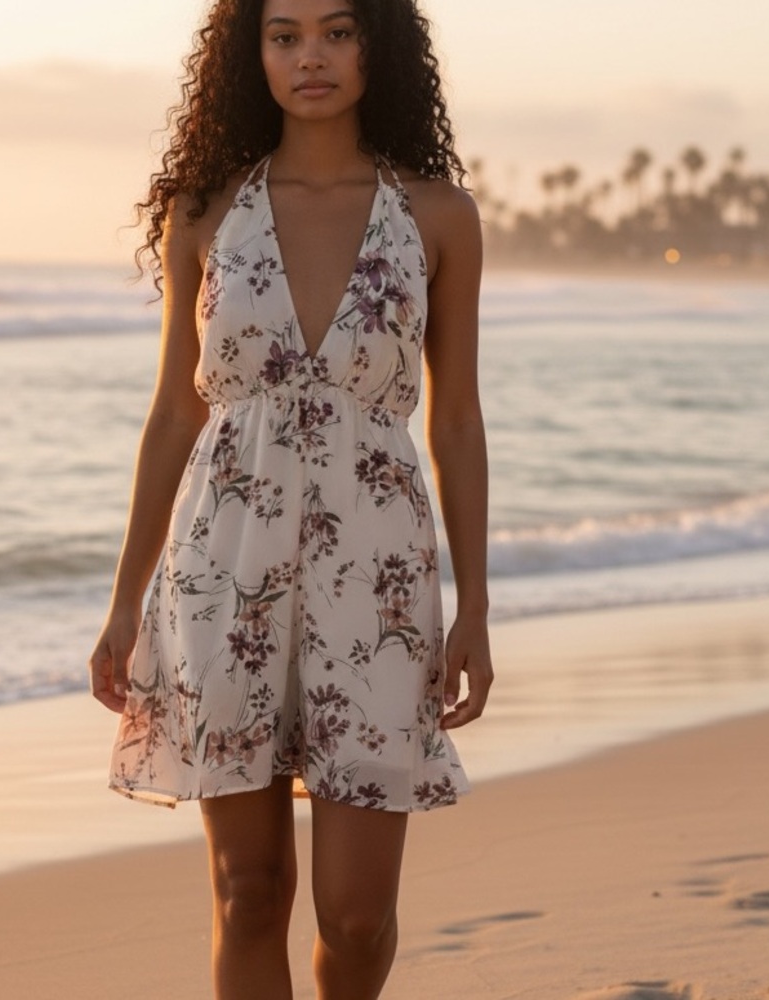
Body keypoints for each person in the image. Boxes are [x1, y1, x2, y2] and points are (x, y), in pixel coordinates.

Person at [89, 1, 493, 996]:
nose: (308, 55)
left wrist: (475, 605)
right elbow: (174, 418)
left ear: (378, 45)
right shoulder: (205, 210)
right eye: (282, 35)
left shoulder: (437, 214)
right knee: (248, 888)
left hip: (380, 573)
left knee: (356, 918)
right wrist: (122, 601)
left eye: (336, 30)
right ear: (250, 53)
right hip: (221, 569)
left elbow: (454, 421)